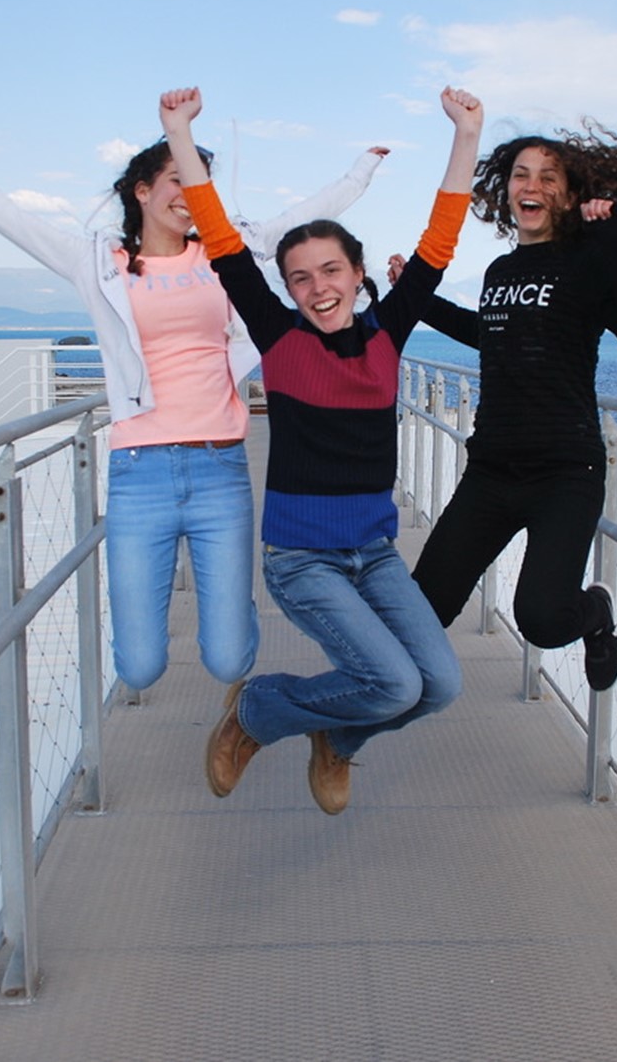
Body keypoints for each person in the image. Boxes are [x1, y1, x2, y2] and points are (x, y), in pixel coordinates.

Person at [0, 84, 387, 694]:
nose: (189, 195)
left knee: (229, 661)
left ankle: (239, 643)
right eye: (175, 180)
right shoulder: (95, 261)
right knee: (138, 667)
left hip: (220, 468)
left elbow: (309, 211)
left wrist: (363, 170)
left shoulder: (233, 248)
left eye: (196, 184)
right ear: (142, 191)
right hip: (138, 471)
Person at [158, 84, 483, 815]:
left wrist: (467, 136)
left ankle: (338, 740)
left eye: (331, 270)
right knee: (394, 683)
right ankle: (259, 711)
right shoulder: (280, 338)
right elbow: (220, 239)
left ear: (358, 275)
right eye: (299, 277)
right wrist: (179, 133)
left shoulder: (388, 332)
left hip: (375, 551)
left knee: (441, 685)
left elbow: (440, 239)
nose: (317, 287)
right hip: (302, 560)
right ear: (287, 289)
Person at [394, 123, 617, 692]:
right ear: (507, 192)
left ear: (571, 196)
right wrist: (416, 297)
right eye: (521, 175)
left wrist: (616, 233)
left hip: (564, 472)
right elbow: (492, 334)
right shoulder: (502, 272)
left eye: (549, 177)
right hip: (492, 470)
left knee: (544, 621)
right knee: (422, 610)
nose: (532, 185)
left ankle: (594, 613)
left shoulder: (589, 262)